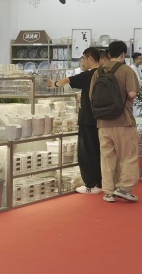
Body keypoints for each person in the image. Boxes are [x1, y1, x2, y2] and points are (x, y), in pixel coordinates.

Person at [89, 40, 140, 203]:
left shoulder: (98, 72)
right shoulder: (127, 70)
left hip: (103, 123)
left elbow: (91, 96)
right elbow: (132, 94)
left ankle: (108, 191)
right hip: (123, 121)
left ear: (109, 54)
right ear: (124, 54)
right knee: (128, 156)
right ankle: (124, 187)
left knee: (107, 158)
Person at [49, 47, 101, 194]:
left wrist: (55, 84)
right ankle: (100, 182)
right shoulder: (104, 73)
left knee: (87, 152)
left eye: (84, 58)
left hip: (87, 119)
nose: (83, 62)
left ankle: (90, 184)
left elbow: (67, 80)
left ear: (90, 58)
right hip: (101, 119)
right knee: (98, 151)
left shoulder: (88, 75)